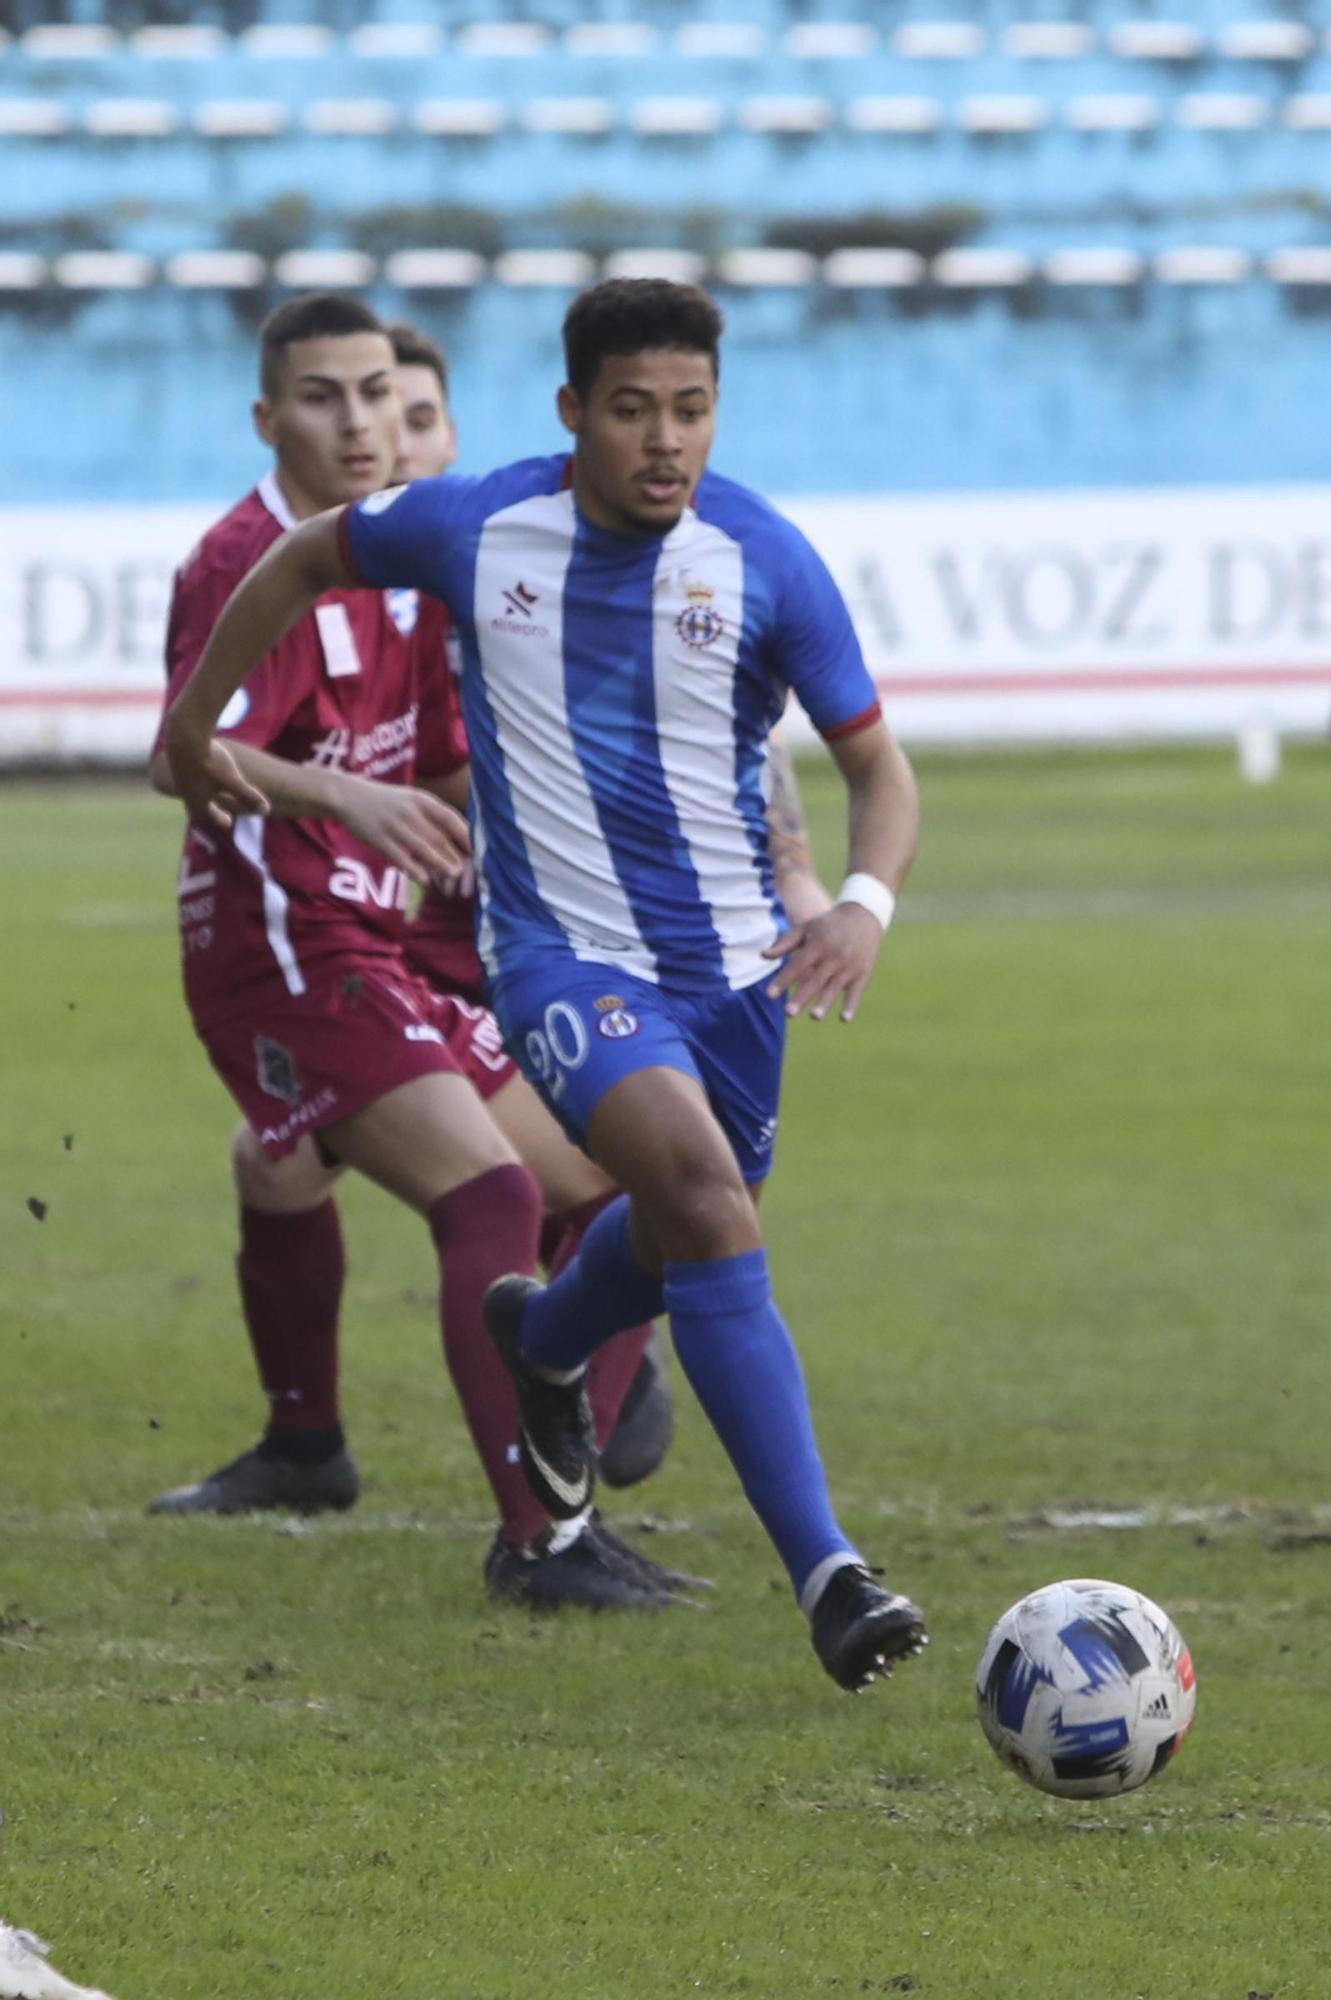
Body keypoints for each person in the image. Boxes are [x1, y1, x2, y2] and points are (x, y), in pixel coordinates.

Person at [161, 277, 929, 1691]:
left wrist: (857, 902)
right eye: (632, 409)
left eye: (690, 410)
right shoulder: (475, 526)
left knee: (681, 1211)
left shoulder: (766, 558)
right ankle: (828, 1575)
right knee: (693, 1197)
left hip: (733, 975)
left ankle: (550, 1344)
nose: (664, 442)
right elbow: (305, 559)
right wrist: (192, 728)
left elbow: (875, 765)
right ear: (574, 412)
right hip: (557, 962)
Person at [148, 291, 693, 1611]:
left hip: (372, 945)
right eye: (325, 397)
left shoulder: (395, 559)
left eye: (381, 394)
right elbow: (179, 758)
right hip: (280, 947)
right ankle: (539, 1541)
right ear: (270, 417)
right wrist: (344, 798)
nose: (361, 421)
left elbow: (448, 765)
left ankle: (403, 1442)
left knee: (646, 1187)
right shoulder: (248, 560)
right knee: (490, 1197)